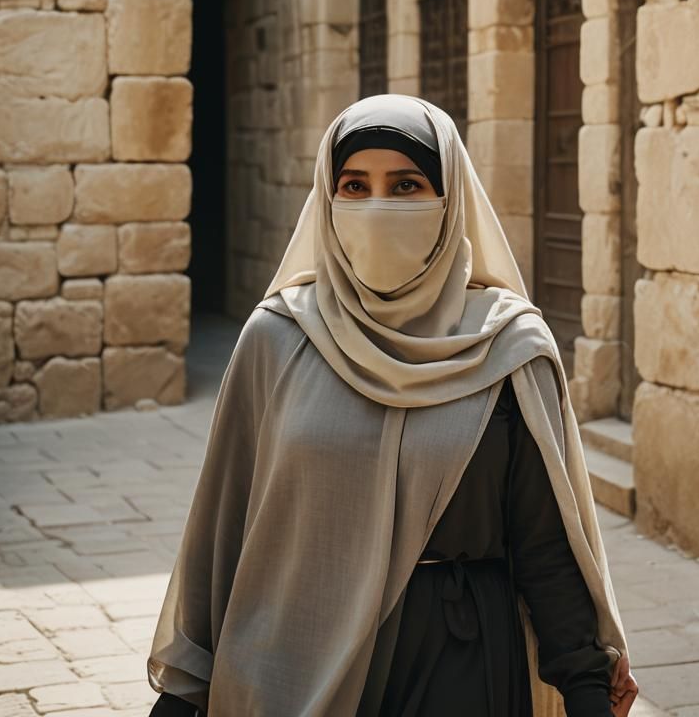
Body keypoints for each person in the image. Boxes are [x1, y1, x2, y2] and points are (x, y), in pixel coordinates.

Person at [146, 94, 639, 717]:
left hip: (460, 663)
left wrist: (587, 686)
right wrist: (185, 693)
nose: (378, 207)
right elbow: (222, 530)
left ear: (449, 196)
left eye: (406, 185)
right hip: (289, 660)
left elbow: (544, 545)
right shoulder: (277, 337)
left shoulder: (508, 345)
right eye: (354, 186)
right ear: (327, 199)